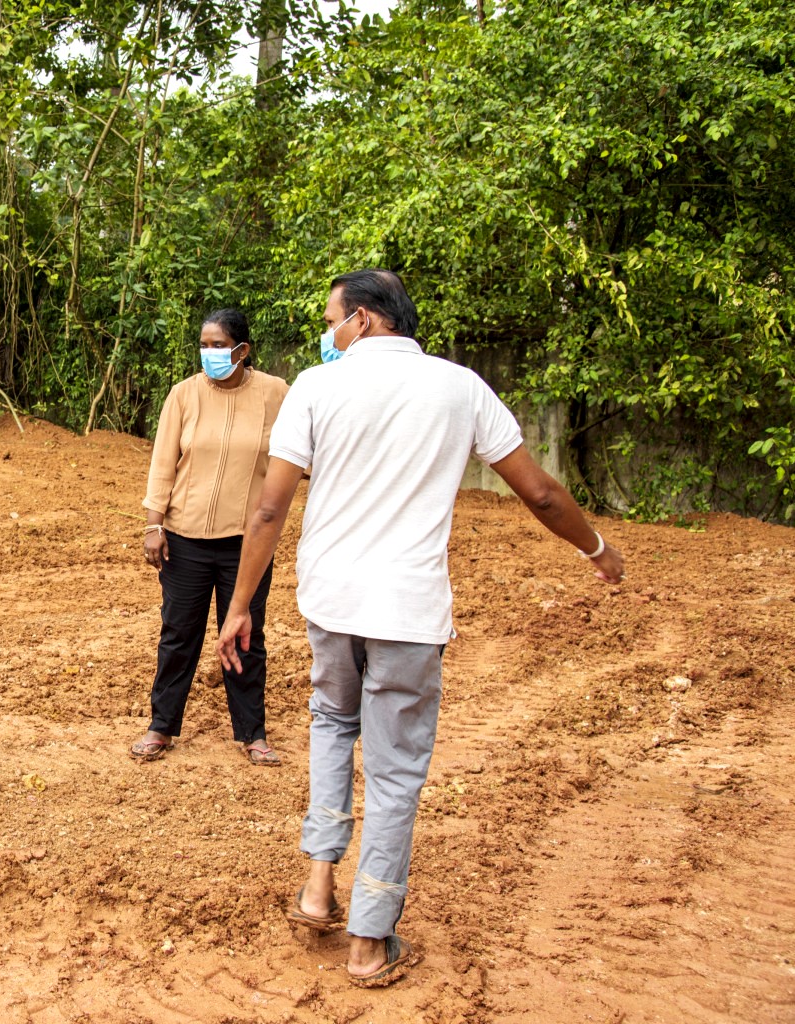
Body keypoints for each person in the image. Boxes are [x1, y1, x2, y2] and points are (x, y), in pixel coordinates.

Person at [217, 270, 625, 987]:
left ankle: (317, 888)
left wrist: (241, 604)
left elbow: (268, 510)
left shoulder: (316, 385)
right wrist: (596, 549)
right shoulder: (461, 388)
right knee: (397, 771)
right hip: (407, 609)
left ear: (367, 320)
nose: (328, 331)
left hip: (332, 602)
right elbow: (537, 490)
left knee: (330, 724)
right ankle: (370, 942)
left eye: (332, 318)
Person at [131, 308, 290, 766]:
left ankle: (252, 732)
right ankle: (162, 726)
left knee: (245, 636)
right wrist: (153, 523)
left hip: (249, 543)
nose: (210, 353)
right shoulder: (183, 396)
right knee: (179, 634)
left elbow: (298, 454)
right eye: (205, 344)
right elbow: (163, 463)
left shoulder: (276, 394)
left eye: (219, 345)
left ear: (243, 350)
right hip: (185, 538)